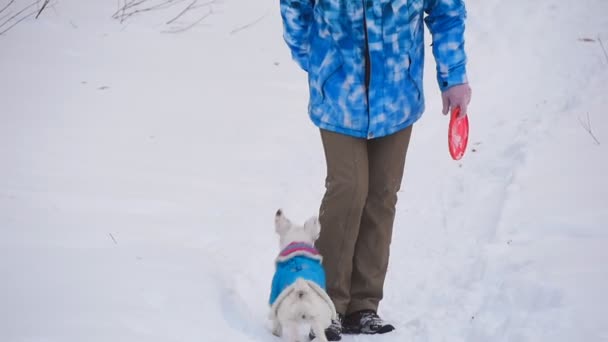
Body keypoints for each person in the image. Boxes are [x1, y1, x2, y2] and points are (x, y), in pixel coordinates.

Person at [279, 0, 472, 340]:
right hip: (339, 95)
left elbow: (447, 11)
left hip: (398, 95)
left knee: (382, 194)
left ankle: (363, 306)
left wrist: (453, 76)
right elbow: (294, 6)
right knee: (349, 188)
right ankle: (328, 305)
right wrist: (315, 59)